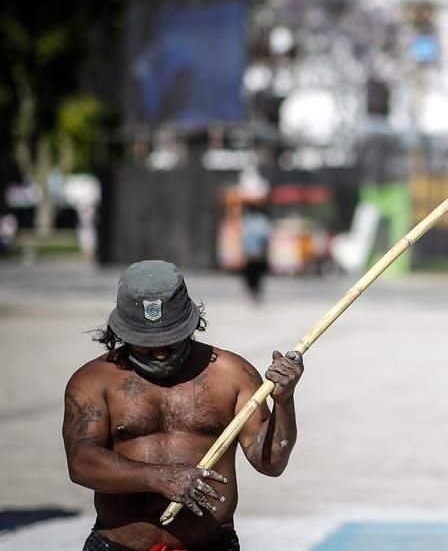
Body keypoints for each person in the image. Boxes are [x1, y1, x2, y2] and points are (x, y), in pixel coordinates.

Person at [62, 260, 304, 551]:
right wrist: (157, 477)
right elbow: (81, 464)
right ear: (123, 332)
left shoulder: (231, 374)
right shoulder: (93, 381)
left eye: (171, 340)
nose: (161, 353)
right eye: (147, 343)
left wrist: (284, 401)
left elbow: (271, 463)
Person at [240, 202, 272, 302]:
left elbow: (245, 237)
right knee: (255, 273)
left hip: (253, 252)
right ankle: (254, 291)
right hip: (257, 252)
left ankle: (254, 291)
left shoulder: (249, 221)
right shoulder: (259, 221)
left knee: (253, 273)